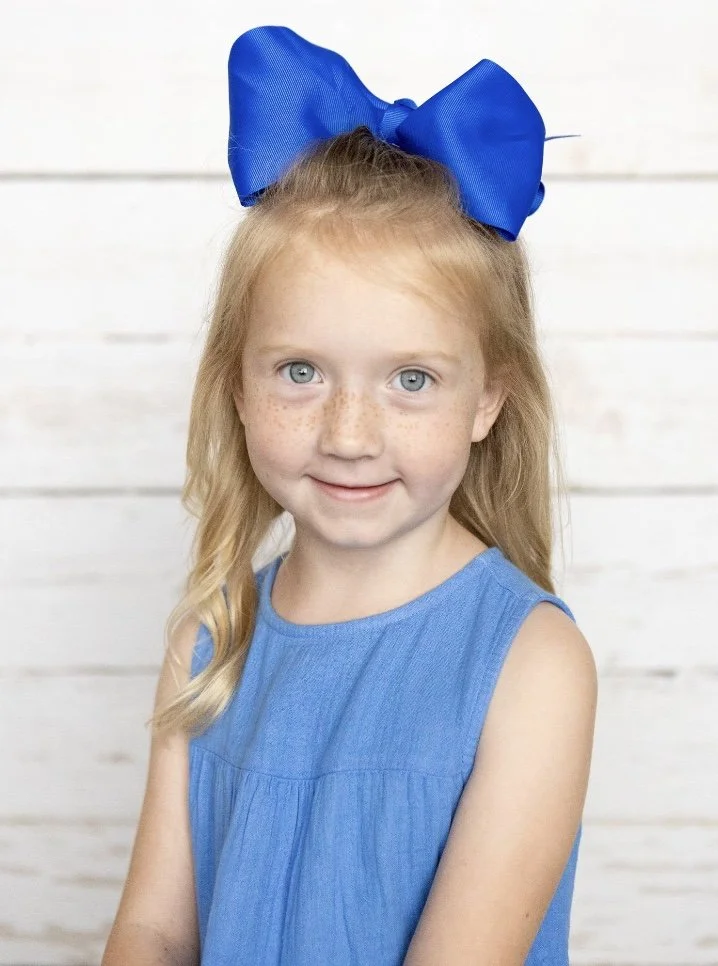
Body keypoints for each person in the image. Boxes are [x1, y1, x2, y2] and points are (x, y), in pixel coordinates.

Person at [101, 24, 598, 966]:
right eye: (299, 370)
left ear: (489, 396)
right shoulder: (212, 638)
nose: (348, 433)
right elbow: (156, 930)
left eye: (411, 379)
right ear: (236, 384)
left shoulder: (531, 664)